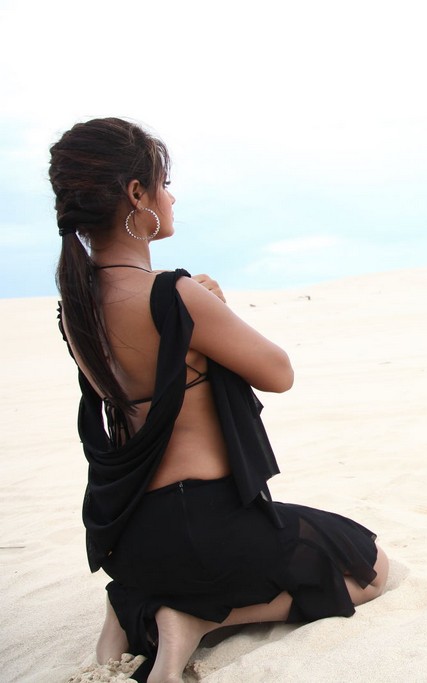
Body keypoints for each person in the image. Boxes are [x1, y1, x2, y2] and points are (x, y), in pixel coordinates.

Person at [49, 118, 389, 683]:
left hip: (129, 538)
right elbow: (278, 373)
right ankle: (198, 617)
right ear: (136, 194)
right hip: (205, 524)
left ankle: (132, 602)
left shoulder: (75, 309)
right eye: (163, 183)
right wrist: (213, 310)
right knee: (368, 565)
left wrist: (197, 317)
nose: (171, 197)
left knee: (252, 553)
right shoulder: (171, 295)